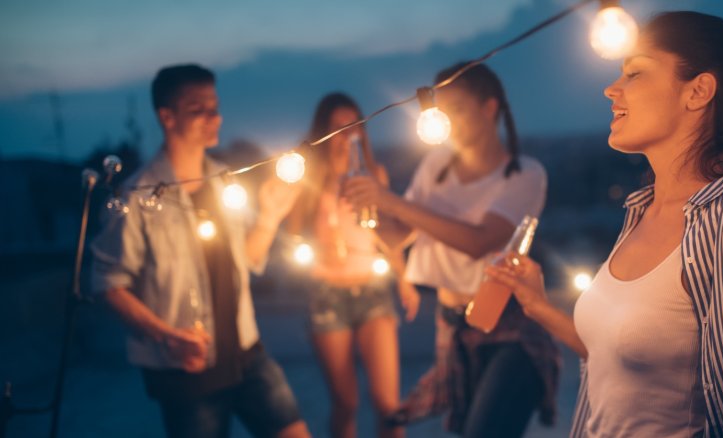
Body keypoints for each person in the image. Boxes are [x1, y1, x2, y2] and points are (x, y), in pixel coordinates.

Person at [486, 11, 723, 437]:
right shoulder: (642, 209)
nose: (611, 89)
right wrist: (539, 307)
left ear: (698, 91)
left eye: (634, 73)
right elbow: (627, 361)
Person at [90, 64, 310, 438]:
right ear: (167, 116)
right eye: (199, 109)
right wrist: (165, 335)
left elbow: (249, 259)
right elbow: (107, 283)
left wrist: (271, 216)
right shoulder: (139, 196)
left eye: (216, 106)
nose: (215, 117)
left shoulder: (225, 182)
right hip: (185, 370)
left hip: (246, 351)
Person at [344, 62, 560, 438]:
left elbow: (479, 241)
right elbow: (399, 237)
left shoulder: (526, 173)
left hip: (510, 327)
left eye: (456, 109)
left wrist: (392, 202)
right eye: (442, 112)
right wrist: (369, 212)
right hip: (452, 327)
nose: (448, 121)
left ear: (489, 108)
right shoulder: (436, 166)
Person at [284, 92, 417, 438]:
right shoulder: (309, 180)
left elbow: (388, 234)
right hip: (326, 293)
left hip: (372, 288)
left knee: (388, 404)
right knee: (345, 403)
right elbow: (293, 232)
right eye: (337, 128)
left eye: (352, 127)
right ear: (323, 133)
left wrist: (403, 279)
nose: (345, 136)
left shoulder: (374, 175)